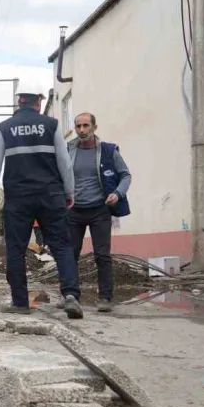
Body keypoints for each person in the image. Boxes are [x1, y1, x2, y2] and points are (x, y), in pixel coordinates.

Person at [0, 79, 84, 319]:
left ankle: (20, 302)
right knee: (62, 246)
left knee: (16, 250)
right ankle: (70, 294)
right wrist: (69, 192)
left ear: (19, 101)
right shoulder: (51, 125)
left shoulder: (4, 128)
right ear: (39, 102)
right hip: (51, 195)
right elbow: (65, 164)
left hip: (18, 198)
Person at [67, 112, 132, 312]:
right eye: (78, 126)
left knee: (102, 255)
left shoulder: (108, 151)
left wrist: (118, 193)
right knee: (70, 255)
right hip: (74, 210)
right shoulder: (68, 149)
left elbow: (125, 175)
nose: (81, 130)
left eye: (86, 125)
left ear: (94, 127)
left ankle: (105, 298)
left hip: (100, 210)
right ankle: (69, 296)